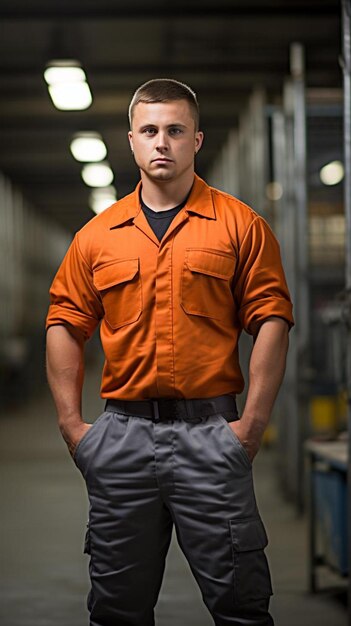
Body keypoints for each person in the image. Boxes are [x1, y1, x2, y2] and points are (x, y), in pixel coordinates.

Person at [46, 78, 294, 626]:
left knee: (242, 608)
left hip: (213, 435)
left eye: (175, 131)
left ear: (196, 140)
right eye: (150, 130)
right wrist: (72, 425)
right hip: (121, 440)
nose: (163, 142)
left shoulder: (240, 226)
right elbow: (65, 320)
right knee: (116, 610)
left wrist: (251, 426)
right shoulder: (98, 235)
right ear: (131, 140)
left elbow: (272, 317)